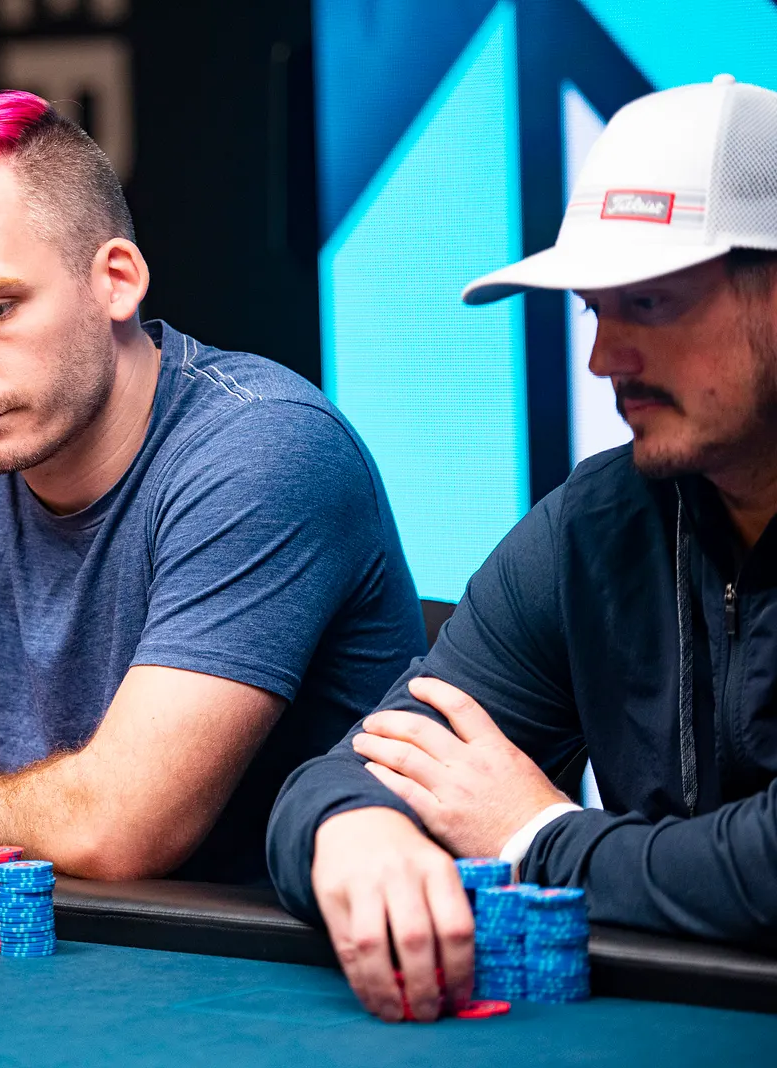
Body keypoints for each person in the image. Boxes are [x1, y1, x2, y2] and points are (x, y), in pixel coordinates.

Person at [0, 91, 425, 940]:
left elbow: (118, 828)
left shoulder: (264, 448)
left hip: (270, 959)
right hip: (41, 950)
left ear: (116, 281)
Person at [267, 74, 777, 1024]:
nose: (604, 359)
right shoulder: (597, 522)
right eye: (594, 309)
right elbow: (357, 766)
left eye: (650, 303)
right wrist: (357, 828)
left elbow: (766, 870)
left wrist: (534, 835)